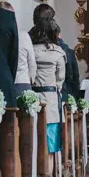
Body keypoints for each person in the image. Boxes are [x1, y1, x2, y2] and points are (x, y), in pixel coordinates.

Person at [31, 15, 66, 165]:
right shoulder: (58, 53)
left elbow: (30, 72)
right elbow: (60, 79)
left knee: (34, 140)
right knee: (51, 145)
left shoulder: (31, 50)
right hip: (51, 98)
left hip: (33, 95)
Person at [30, 2, 80, 105]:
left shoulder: (27, 41)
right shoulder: (62, 49)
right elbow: (71, 78)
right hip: (59, 95)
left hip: (32, 95)